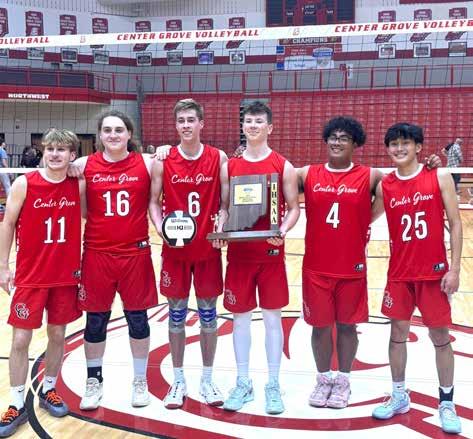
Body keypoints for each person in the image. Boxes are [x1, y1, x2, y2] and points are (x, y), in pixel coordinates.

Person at [371, 123, 462, 434]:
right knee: (396, 335)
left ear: (418, 147)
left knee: (440, 338)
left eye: (405, 143)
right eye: (393, 144)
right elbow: (364, 216)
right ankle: (399, 395)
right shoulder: (386, 186)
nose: (399, 149)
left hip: (433, 273)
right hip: (400, 274)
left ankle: (446, 402)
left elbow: (455, 223)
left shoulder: (438, 176)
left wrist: (455, 269)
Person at [70, 110, 158, 410]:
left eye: (119, 129)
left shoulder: (147, 163)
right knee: (96, 321)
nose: (113, 135)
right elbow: (83, 210)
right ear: (99, 135)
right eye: (107, 130)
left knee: (137, 319)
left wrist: (165, 149)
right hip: (97, 253)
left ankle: (140, 381)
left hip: (135, 253)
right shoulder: (84, 165)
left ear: (129, 134)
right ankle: (94, 381)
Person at [217, 101, 300, 415]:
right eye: (248, 121)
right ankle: (243, 382)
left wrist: (283, 229)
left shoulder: (283, 165)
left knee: (272, 319)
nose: (252, 126)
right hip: (239, 255)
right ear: (243, 126)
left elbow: (293, 208)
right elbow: (225, 207)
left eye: (258, 121)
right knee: (240, 320)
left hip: (270, 255)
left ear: (270, 127)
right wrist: (220, 227)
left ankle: (273, 384)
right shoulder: (230, 167)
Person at [0, 129, 82, 437]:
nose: (55, 154)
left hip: (64, 275)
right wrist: (3, 266)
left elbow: (110, 161)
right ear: (43, 152)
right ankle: (16, 403)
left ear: (72, 155)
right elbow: (7, 223)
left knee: (58, 334)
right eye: (50, 149)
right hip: (31, 276)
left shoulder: (79, 183)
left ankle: (49, 389)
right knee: (20, 340)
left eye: (62, 150)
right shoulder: (25, 183)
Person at [149, 98, 229, 409]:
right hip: (175, 252)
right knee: (176, 316)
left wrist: (221, 225)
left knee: (208, 316)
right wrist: (161, 229)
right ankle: (178, 380)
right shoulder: (164, 159)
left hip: (207, 250)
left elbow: (225, 204)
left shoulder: (218, 157)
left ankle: (207, 379)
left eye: (190, 120)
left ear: (201, 124)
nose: (185, 125)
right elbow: (153, 202)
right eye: (181, 120)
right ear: (176, 125)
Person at [297, 117, 382, 409]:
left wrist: (363, 220)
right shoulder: (308, 173)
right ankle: (323, 380)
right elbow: (271, 175)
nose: (337, 142)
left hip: (351, 266)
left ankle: (343, 380)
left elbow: (403, 181)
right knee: (320, 327)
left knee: (347, 327)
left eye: (344, 137)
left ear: (355, 143)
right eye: (332, 137)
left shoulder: (370, 176)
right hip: (316, 267)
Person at [0, 141, 11, 205]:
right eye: (4, 143)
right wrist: (9, 171)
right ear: (2, 143)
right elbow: (4, 163)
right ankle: (10, 203)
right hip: (2, 170)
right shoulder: (2, 150)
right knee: (7, 186)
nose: (5, 144)